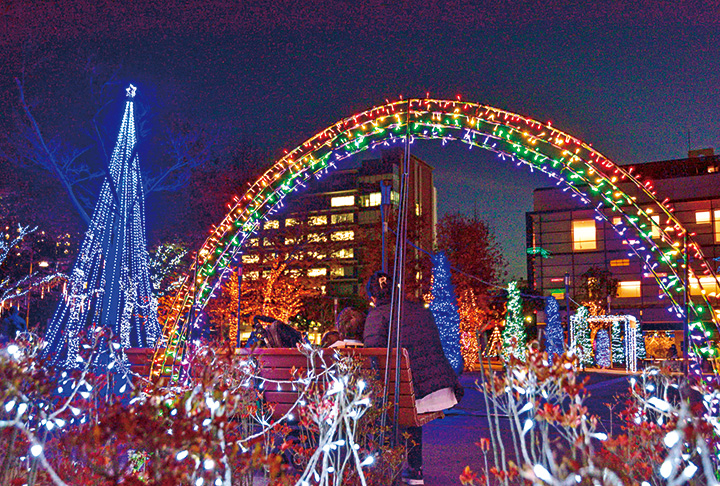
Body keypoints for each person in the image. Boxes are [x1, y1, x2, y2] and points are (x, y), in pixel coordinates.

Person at [363, 271, 463, 485]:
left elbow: (373, 355)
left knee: (390, 401)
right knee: (407, 401)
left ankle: (385, 468)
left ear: (373, 297)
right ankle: (415, 469)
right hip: (438, 389)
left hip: (411, 394)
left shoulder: (378, 315)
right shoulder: (420, 311)